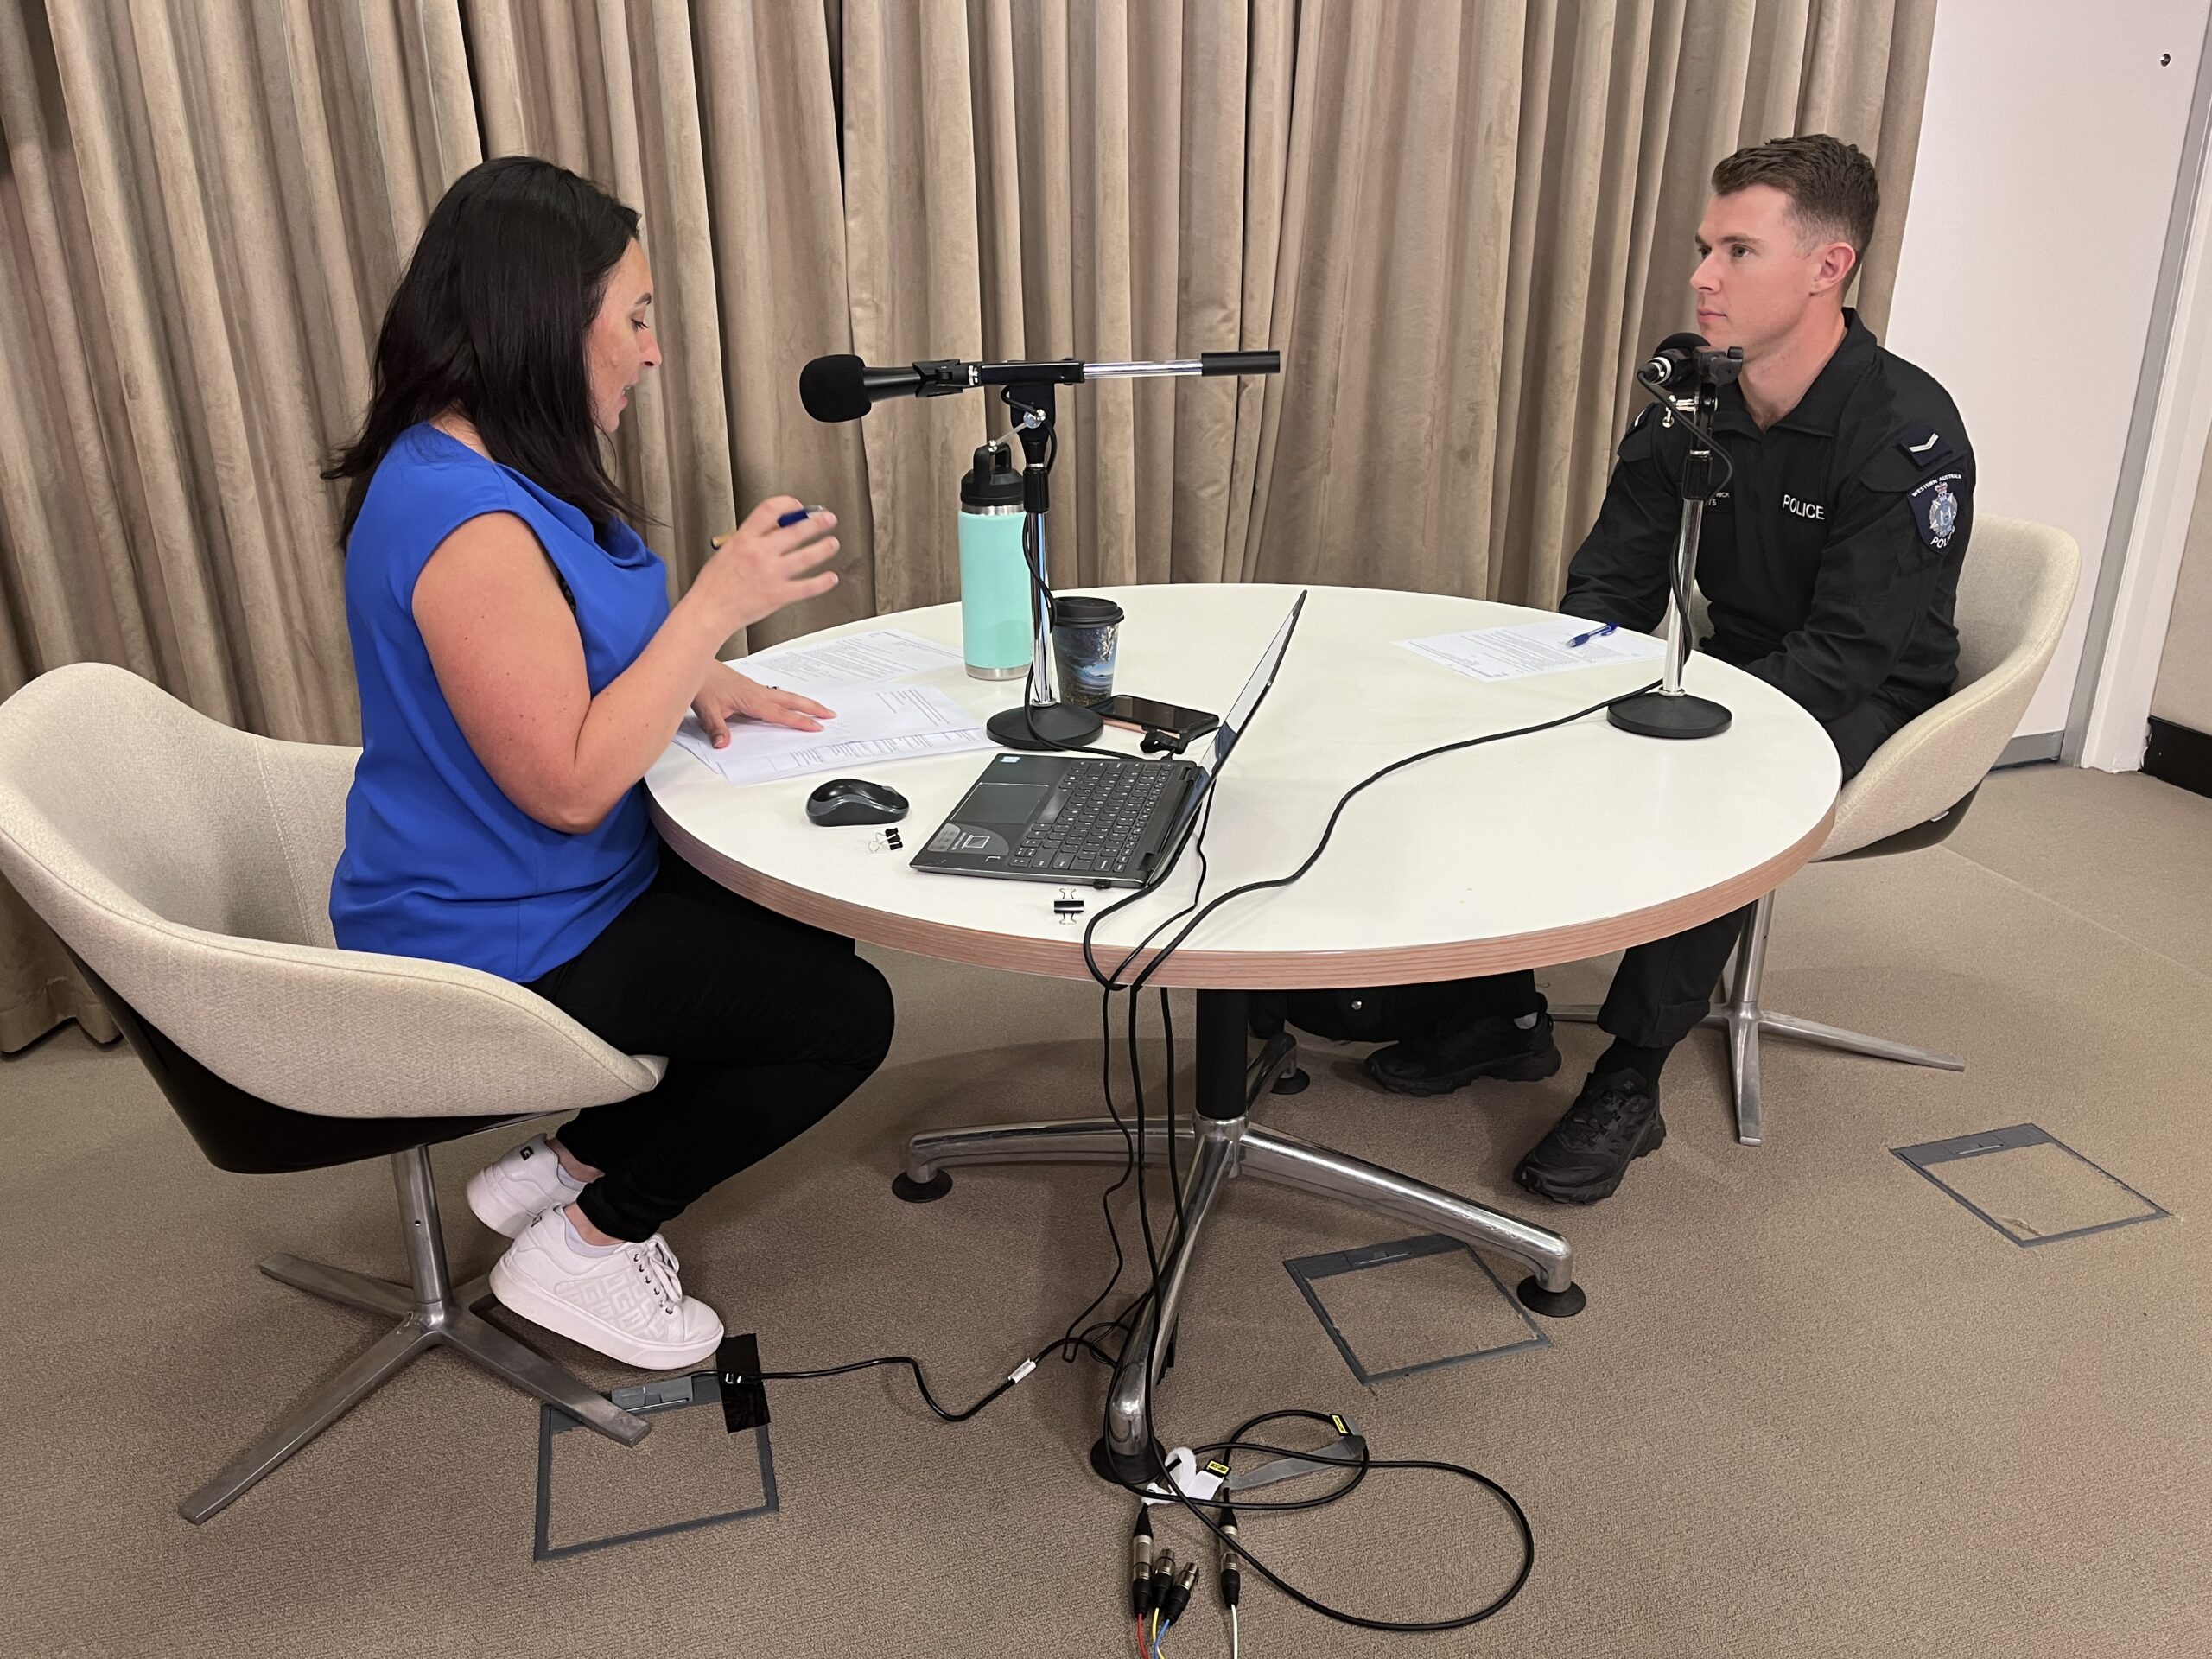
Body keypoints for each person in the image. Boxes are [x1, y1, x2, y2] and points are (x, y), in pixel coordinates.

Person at [326, 156, 893, 1370]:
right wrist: (714, 609)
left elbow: (563, 654)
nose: (651, 352)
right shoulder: (468, 524)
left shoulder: (485, 460)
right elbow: (572, 785)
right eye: (633, 319)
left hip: (537, 884)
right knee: (842, 1021)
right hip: (492, 934)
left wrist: (699, 677)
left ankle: (571, 1159)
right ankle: (590, 1243)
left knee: (804, 940)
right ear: (544, 319)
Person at [1351, 135, 1974, 1204]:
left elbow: (1847, 653)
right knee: (1520, 734)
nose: (1701, 278)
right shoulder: (1691, 404)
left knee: (1711, 787)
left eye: (1738, 250)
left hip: (1869, 691)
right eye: (1703, 248)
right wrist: (1558, 687)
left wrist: (1682, 716)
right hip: (1733, 661)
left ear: (1826, 267)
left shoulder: (1903, 433)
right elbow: (1611, 585)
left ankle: (1630, 1077)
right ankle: (1500, 1010)